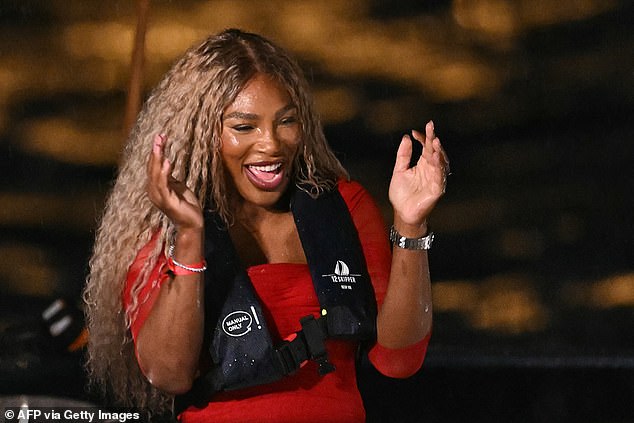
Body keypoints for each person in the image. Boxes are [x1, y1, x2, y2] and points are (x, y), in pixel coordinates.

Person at [83, 28, 449, 422]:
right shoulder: (164, 230)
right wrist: (189, 236)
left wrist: (411, 224)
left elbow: (399, 360)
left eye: (286, 121)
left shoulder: (346, 208)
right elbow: (168, 373)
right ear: (202, 135)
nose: (271, 144)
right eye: (244, 127)